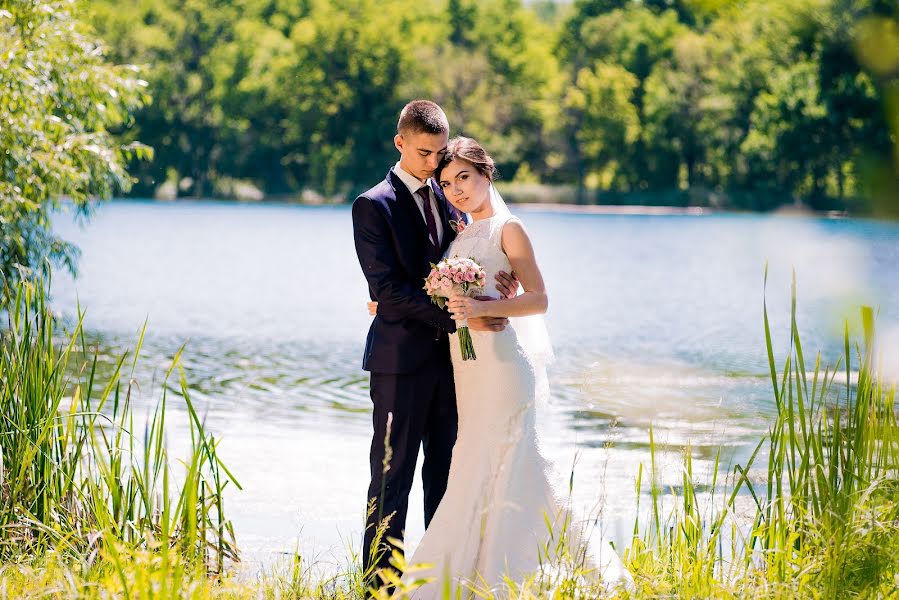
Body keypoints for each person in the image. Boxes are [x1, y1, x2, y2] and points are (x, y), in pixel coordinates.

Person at [394, 137, 633, 597]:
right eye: (446, 183)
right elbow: (451, 296)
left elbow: (539, 299)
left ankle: (541, 569)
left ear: (486, 173)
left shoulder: (510, 227)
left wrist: (487, 306)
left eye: (464, 177)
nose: (456, 190)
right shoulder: (459, 232)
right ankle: (467, 572)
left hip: (502, 367)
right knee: (471, 462)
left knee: (515, 463)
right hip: (469, 370)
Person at [350, 101, 516, 584]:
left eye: (441, 154)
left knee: (446, 475)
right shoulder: (372, 205)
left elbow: (477, 255)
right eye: (425, 153)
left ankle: (437, 581)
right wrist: (457, 316)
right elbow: (386, 289)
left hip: (454, 366)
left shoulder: (449, 197)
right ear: (400, 142)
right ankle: (379, 588)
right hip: (400, 362)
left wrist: (497, 286)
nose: (435, 164)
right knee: (391, 476)